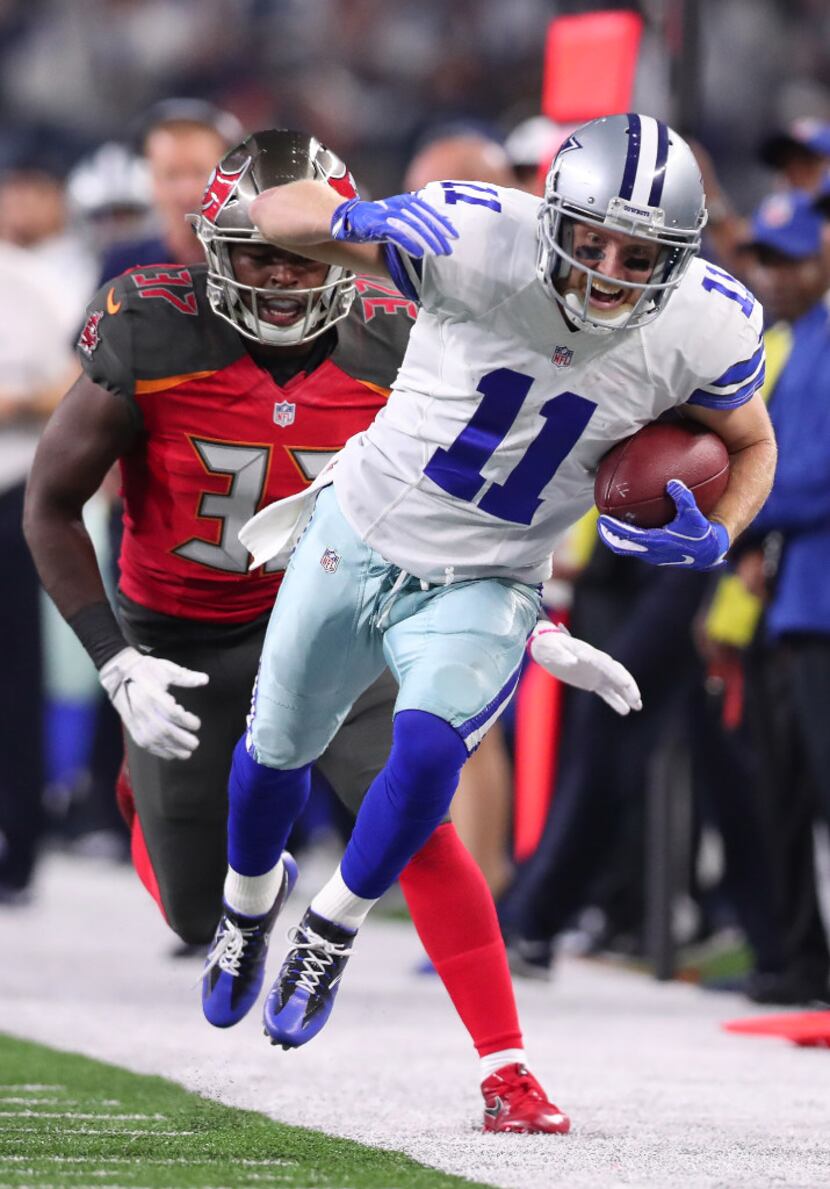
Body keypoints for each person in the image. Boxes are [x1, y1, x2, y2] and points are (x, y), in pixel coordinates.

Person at [23, 129, 637, 1134]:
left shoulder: (400, 332)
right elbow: (49, 503)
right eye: (257, 251)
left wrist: (523, 610)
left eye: (301, 253)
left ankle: (507, 1065)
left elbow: (480, 498)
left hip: (341, 602)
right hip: (179, 630)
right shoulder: (151, 322)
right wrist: (116, 659)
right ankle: (168, 814)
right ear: (211, 247)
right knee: (192, 910)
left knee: (415, 819)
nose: (278, 275)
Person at [202, 113, 776, 1065]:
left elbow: (751, 441)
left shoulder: (704, 325)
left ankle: (332, 928)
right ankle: (247, 904)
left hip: (494, 573)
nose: (608, 267)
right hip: (365, 522)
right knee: (274, 752)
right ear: (554, 216)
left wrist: (723, 528)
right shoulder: (474, 238)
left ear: (681, 255)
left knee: (428, 754)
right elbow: (271, 209)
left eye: (640, 252)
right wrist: (357, 217)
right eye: (591, 239)